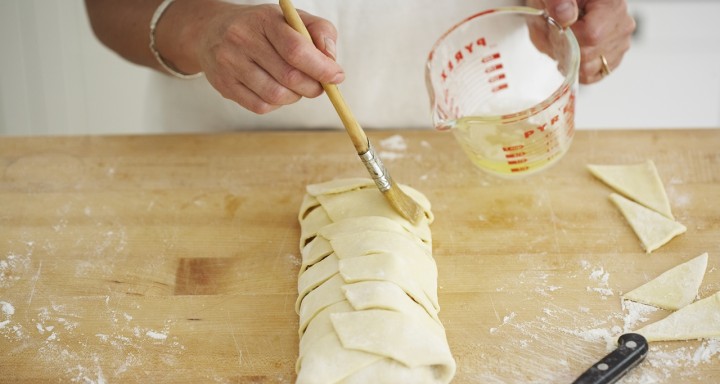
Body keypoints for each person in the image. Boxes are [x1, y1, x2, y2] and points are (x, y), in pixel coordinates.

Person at [84, 0, 635, 132]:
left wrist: (595, 22)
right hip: (226, 145)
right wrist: (198, 30)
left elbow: (601, 10)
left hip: (495, 130)